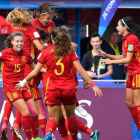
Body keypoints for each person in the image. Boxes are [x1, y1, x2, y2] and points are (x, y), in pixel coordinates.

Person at [16, 27, 102, 140]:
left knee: (53, 118)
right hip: (68, 89)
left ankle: (49, 133)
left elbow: (35, 72)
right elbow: (80, 70)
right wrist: (93, 85)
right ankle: (81, 136)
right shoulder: (70, 51)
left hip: (52, 89)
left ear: (51, 38)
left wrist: (23, 82)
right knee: (70, 117)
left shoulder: (46, 52)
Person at [6, 8, 46, 140]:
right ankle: (33, 137)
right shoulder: (31, 31)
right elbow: (40, 48)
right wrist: (50, 45)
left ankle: (11, 130)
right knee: (31, 112)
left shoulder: (15, 29)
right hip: (27, 74)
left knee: (23, 110)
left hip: (19, 73)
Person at [99, 16, 140, 139]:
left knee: (138, 103)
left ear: (124, 27)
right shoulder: (125, 40)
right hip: (131, 73)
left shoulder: (132, 39)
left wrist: (111, 62)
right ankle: (138, 128)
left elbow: (127, 59)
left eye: (118, 25)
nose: (117, 28)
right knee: (129, 102)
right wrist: (107, 55)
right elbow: (122, 56)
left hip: (137, 73)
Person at [0, 32, 45, 140]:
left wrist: (49, 71)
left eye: (21, 41)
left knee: (34, 112)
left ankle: (27, 133)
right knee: (26, 112)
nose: (19, 43)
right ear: (12, 42)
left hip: (22, 86)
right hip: (11, 87)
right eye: (17, 41)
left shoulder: (26, 53)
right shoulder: (5, 53)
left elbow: (35, 67)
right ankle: (26, 136)